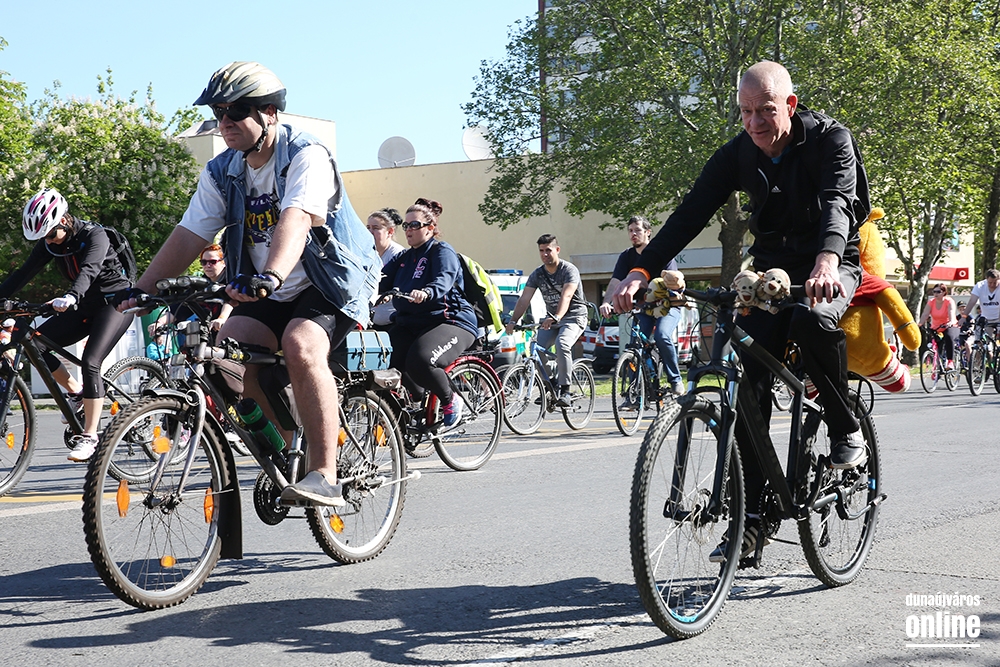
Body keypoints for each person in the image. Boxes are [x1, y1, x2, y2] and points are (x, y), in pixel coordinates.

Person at [611, 61, 870, 558]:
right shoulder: (738, 153)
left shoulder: (830, 140)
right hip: (770, 270)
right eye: (745, 112)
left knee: (811, 317)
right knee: (747, 382)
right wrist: (641, 271)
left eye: (765, 110)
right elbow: (689, 214)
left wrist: (826, 261)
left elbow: (839, 203)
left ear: (789, 105)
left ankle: (845, 426)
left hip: (831, 263)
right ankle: (754, 515)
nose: (754, 122)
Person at [115, 62, 380, 507]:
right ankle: (289, 450)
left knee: (300, 345)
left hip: (329, 282)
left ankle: (324, 474)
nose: (224, 122)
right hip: (266, 286)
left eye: (236, 111)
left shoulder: (306, 155)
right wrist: (145, 289)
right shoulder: (222, 170)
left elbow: (297, 217)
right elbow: (190, 234)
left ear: (270, 112)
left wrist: (271, 274)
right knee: (226, 356)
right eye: (218, 112)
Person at [0, 188, 135, 461]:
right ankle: (76, 393)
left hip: (115, 303)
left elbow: (89, 270)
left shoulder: (95, 236)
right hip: (83, 305)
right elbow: (24, 273)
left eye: (51, 234)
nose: (48, 241)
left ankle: (90, 437)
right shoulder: (50, 244)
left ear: (64, 220)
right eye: (43, 237)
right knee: (36, 346)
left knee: (91, 362)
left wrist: (71, 296)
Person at [380, 198, 478, 427]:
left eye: (415, 225)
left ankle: (450, 398)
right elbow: (380, 279)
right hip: (412, 323)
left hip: (450, 321)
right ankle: (416, 403)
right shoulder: (403, 258)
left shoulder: (441, 251)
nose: (409, 230)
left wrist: (427, 292)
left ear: (430, 228)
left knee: (421, 360)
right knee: (382, 358)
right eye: (406, 225)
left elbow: (444, 278)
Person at [599, 215, 684, 394]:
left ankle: (675, 380)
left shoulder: (662, 253)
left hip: (667, 307)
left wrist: (672, 293)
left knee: (662, 336)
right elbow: (616, 281)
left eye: (637, 230)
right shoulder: (626, 256)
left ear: (648, 232)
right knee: (635, 346)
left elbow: (673, 282)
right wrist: (606, 302)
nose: (633, 234)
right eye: (630, 231)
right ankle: (635, 391)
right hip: (644, 308)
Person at [506, 234, 589, 407]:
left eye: (548, 250)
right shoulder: (538, 274)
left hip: (574, 317)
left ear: (557, 250)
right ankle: (550, 384)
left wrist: (556, 317)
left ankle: (565, 390)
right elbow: (524, 299)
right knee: (535, 347)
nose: (544, 254)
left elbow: (567, 296)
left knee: (562, 344)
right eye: (541, 251)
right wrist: (513, 321)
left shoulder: (569, 270)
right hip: (551, 319)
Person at [368, 208, 406, 327]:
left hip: (392, 321)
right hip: (369, 319)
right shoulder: (367, 253)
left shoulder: (398, 255)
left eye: (375, 228)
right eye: (368, 228)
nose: (370, 232)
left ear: (390, 232)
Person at [917, 283, 957, 366]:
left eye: (938, 292)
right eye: (934, 291)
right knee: (933, 343)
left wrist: (951, 322)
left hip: (948, 326)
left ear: (944, 292)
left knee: (949, 337)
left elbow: (951, 312)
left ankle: (950, 361)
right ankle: (937, 365)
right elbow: (925, 314)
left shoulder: (949, 301)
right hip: (936, 327)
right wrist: (920, 324)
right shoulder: (931, 302)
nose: (935, 294)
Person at [960, 269, 1000, 339]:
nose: (992, 285)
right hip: (986, 318)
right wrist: (964, 317)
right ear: (986, 279)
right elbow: (972, 302)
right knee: (981, 340)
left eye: (995, 283)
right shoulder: (980, 286)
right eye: (990, 282)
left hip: (998, 317)